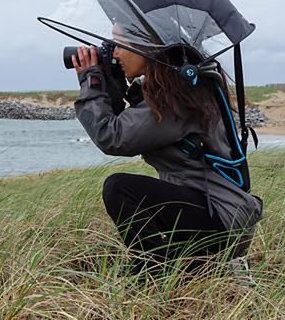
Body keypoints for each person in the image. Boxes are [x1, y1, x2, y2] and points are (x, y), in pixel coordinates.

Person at [71, 27, 263, 275]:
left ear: (147, 47)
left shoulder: (175, 101)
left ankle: (155, 274)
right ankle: (198, 268)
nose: (115, 53)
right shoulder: (184, 87)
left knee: (119, 187)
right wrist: (114, 83)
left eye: (119, 45)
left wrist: (92, 81)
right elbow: (127, 120)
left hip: (220, 219)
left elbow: (112, 137)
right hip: (218, 214)